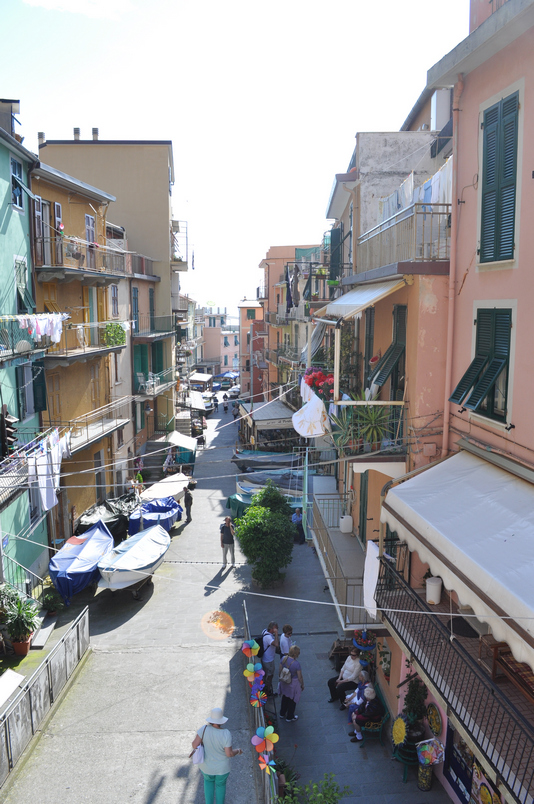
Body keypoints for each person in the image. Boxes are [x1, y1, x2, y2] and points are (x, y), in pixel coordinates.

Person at [191, 707, 243, 804]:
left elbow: (194, 745)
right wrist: (238, 751)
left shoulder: (203, 729)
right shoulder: (226, 733)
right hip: (222, 769)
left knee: (208, 783)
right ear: (221, 721)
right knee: (220, 786)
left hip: (206, 767)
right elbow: (229, 753)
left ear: (211, 720)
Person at [279, 645, 304, 722]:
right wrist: (302, 684)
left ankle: (282, 713)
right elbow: (299, 676)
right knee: (292, 700)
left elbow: (280, 670)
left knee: (285, 697)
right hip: (293, 683)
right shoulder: (296, 664)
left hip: (284, 681)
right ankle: (290, 717)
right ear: (296, 654)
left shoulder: (283, 659)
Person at [261, 621, 279, 696]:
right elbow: (276, 644)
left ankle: (266, 688)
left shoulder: (264, 631)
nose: (277, 629)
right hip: (268, 660)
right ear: (272, 629)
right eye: (276, 628)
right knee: (270, 675)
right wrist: (276, 634)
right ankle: (267, 691)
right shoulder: (268, 637)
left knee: (266, 675)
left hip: (265, 658)